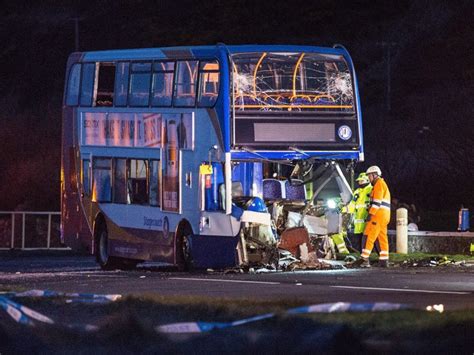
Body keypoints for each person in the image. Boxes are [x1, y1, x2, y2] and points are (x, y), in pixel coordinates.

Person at [356, 166, 391, 268]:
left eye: (369, 176)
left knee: (368, 236)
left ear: (374, 175)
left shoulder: (379, 184)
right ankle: (384, 260)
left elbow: (377, 202)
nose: (368, 178)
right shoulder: (381, 184)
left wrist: (370, 214)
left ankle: (364, 259)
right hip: (384, 216)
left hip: (377, 215)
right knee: (382, 238)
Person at [347, 173, 377, 252]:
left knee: (368, 244)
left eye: (361, 180)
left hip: (367, 222)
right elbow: (352, 205)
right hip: (358, 225)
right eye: (359, 181)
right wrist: (344, 209)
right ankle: (361, 258)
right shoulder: (357, 191)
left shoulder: (372, 189)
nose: (359, 182)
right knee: (359, 245)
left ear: (367, 180)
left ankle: (367, 259)